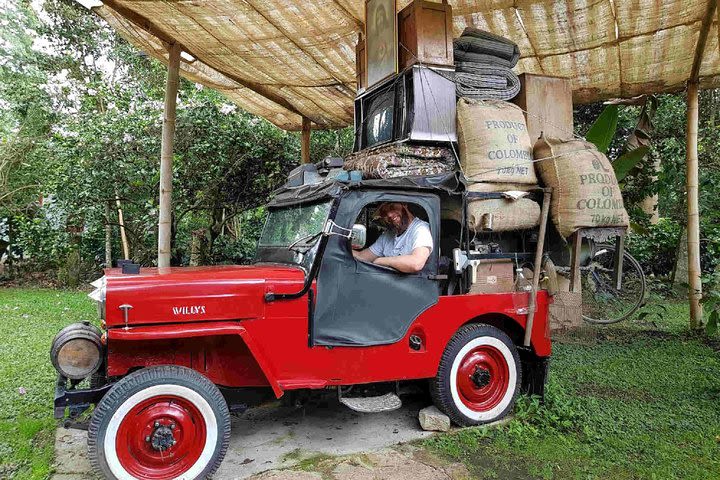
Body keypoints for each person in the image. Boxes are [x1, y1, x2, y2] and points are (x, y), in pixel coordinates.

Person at [352, 202, 433, 273]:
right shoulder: (388, 235)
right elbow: (362, 257)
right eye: (384, 213)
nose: (389, 215)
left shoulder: (420, 229)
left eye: (392, 207)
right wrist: (340, 246)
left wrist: (381, 261)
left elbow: (416, 263)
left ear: (403, 204)